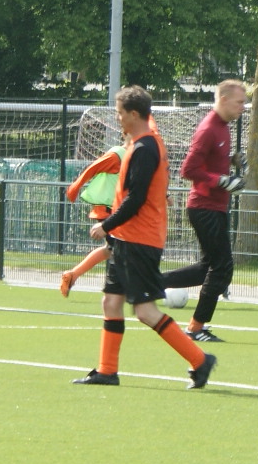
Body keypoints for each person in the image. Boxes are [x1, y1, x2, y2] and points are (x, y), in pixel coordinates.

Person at [73, 86, 215, 390]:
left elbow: (136, 198)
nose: (118, 118)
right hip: (128, 238)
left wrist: (106, 225)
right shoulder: (143, 143)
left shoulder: (145, 148)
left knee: (145, 311)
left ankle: (200, 360)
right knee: (111, 302)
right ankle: (107, 371)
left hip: (139, 239)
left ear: (134, 114)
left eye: (120, 113)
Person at [164, 78, 246, 341]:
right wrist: (220, 180)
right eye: (239, 102)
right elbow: (188, 169)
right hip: (204, 207)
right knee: (222, 268)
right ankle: (196, 328)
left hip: (216, 207)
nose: (243, 107)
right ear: (223, 99)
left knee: (207, 268)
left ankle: (150, 283)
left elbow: (211, 162)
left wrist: (232, 161)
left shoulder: (223, 128)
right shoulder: (208, 128)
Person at [55, 148, 121, 296]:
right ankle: (122, 291)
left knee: (109, 249)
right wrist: (75, 187)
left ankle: (72, 275)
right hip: (109, 210)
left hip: (116, 210)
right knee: (121, 250)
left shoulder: (135, 153)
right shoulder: (117, 155)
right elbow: (93, 168)